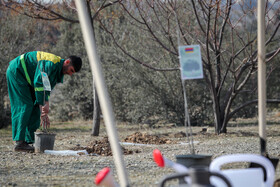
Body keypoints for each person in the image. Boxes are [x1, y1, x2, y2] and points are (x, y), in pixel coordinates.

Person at [6, 51, 82, 152]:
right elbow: (39, 82)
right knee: (24, 106)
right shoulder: (50, 63)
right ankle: (19, 142)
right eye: (71, 70)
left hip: (28, 79)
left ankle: (29, 141)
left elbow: (46, 89)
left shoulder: (57, 71)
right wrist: (43, 104)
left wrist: (44, 108)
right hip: (17, 72)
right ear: (67, 62)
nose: (70, 74)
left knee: (35, 106)